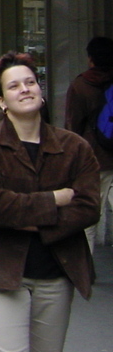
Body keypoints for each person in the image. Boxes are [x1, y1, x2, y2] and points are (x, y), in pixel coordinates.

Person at [0, 51, 99, 352]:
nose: (24, 89)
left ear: (40, 90)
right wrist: (55, 199)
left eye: (30, 82)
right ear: (2, 100)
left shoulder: (75, 147)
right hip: (1, 272)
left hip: (56, 272)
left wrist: (25, 214)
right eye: (14, 86)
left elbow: (87, 208)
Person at [64, 35, 113, 250]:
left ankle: (86, 268)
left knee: (89, 213)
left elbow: (72, 126)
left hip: (94, 158)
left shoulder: (81, 85)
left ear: (91, 59)